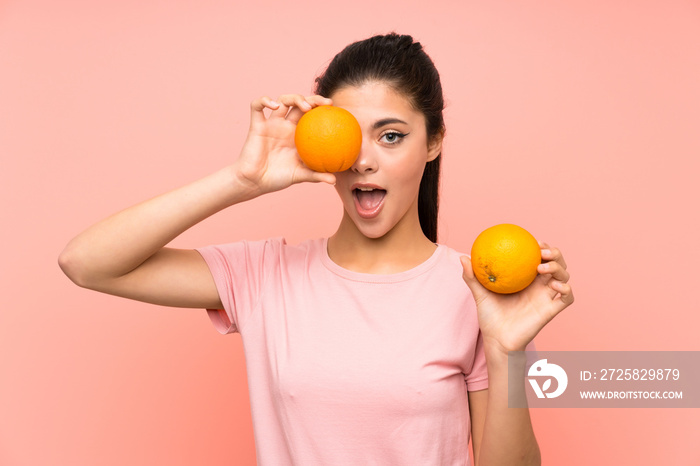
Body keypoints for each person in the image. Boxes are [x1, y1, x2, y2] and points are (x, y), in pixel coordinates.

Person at [59, 32, 573, 465]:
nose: (364, 161)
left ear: (434, 140)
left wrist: (507, 353)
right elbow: (86, 263)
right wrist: (243, 179)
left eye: (391, 136)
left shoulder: (477, 294)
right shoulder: (266, 275)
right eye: (350, 136)